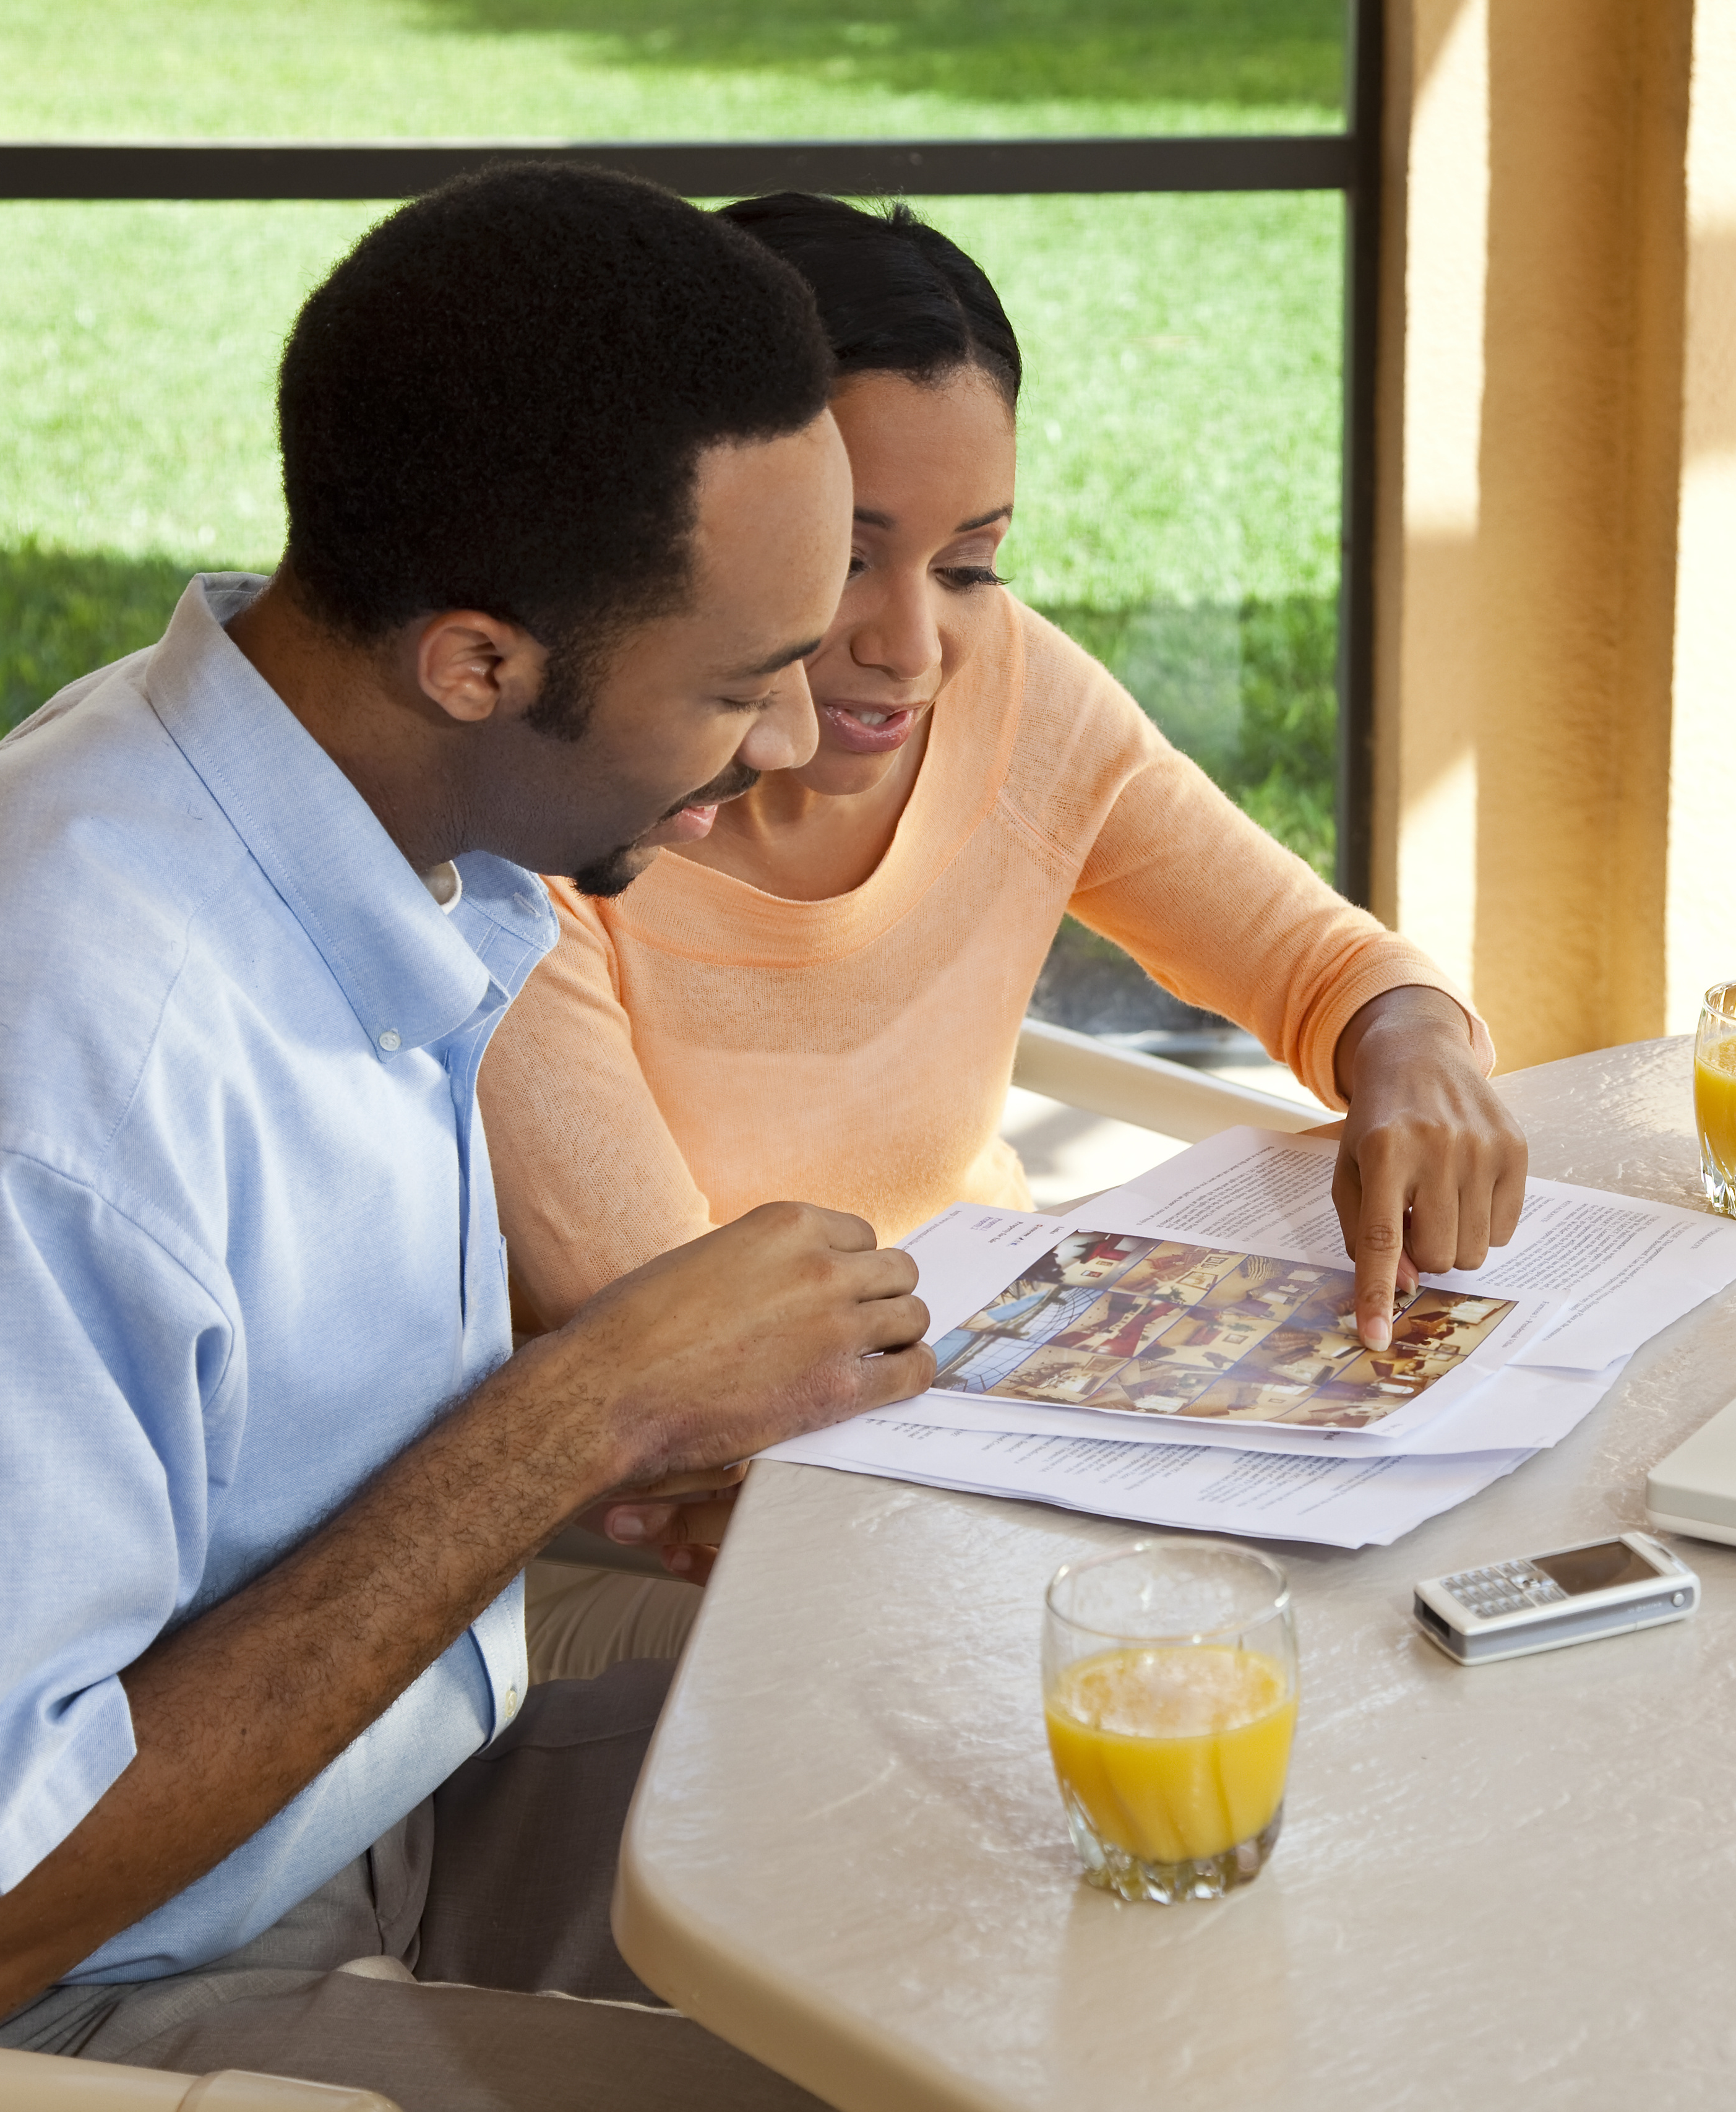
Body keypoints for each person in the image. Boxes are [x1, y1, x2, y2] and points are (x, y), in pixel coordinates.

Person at [0, 165, 925, 2108]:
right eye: (738, 679)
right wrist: (581, 1411)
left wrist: (608, 1459)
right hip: (66, 2010)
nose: (794, 738)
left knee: (977, 1758)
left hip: (346, 1799)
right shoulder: (25, 1079)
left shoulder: (311, 814)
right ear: (477, 660)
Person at [481, 192, 1528, 1393]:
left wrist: (1413, 1041)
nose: (916, 649)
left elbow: (1322, 967)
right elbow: (680, 1367)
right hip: (696, 1512)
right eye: (845, 561)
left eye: (970, 566)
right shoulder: (542, 833)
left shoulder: (1012, 690)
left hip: (996, 1389)